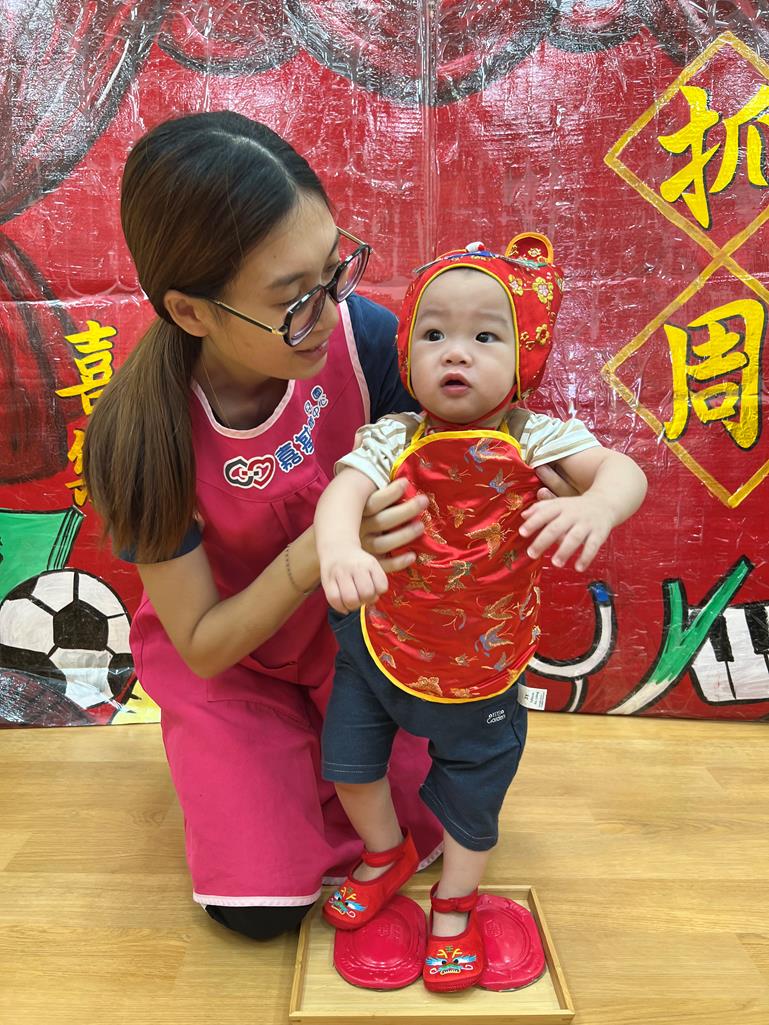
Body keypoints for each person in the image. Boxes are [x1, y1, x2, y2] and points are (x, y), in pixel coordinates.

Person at [314, 236, 647, 991]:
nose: (455, 352)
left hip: (482, 664)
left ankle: (456, 900)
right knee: (350, 768)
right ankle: (385, 852)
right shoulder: (392, 435)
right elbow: (342, 492)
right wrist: (337, 549)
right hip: (380, 645)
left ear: (526, 357)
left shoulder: (537, 437)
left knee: (475, 789)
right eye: (433, 333)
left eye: (485, 336)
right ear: (406, 354)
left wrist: (597, 503)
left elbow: (621, 470)